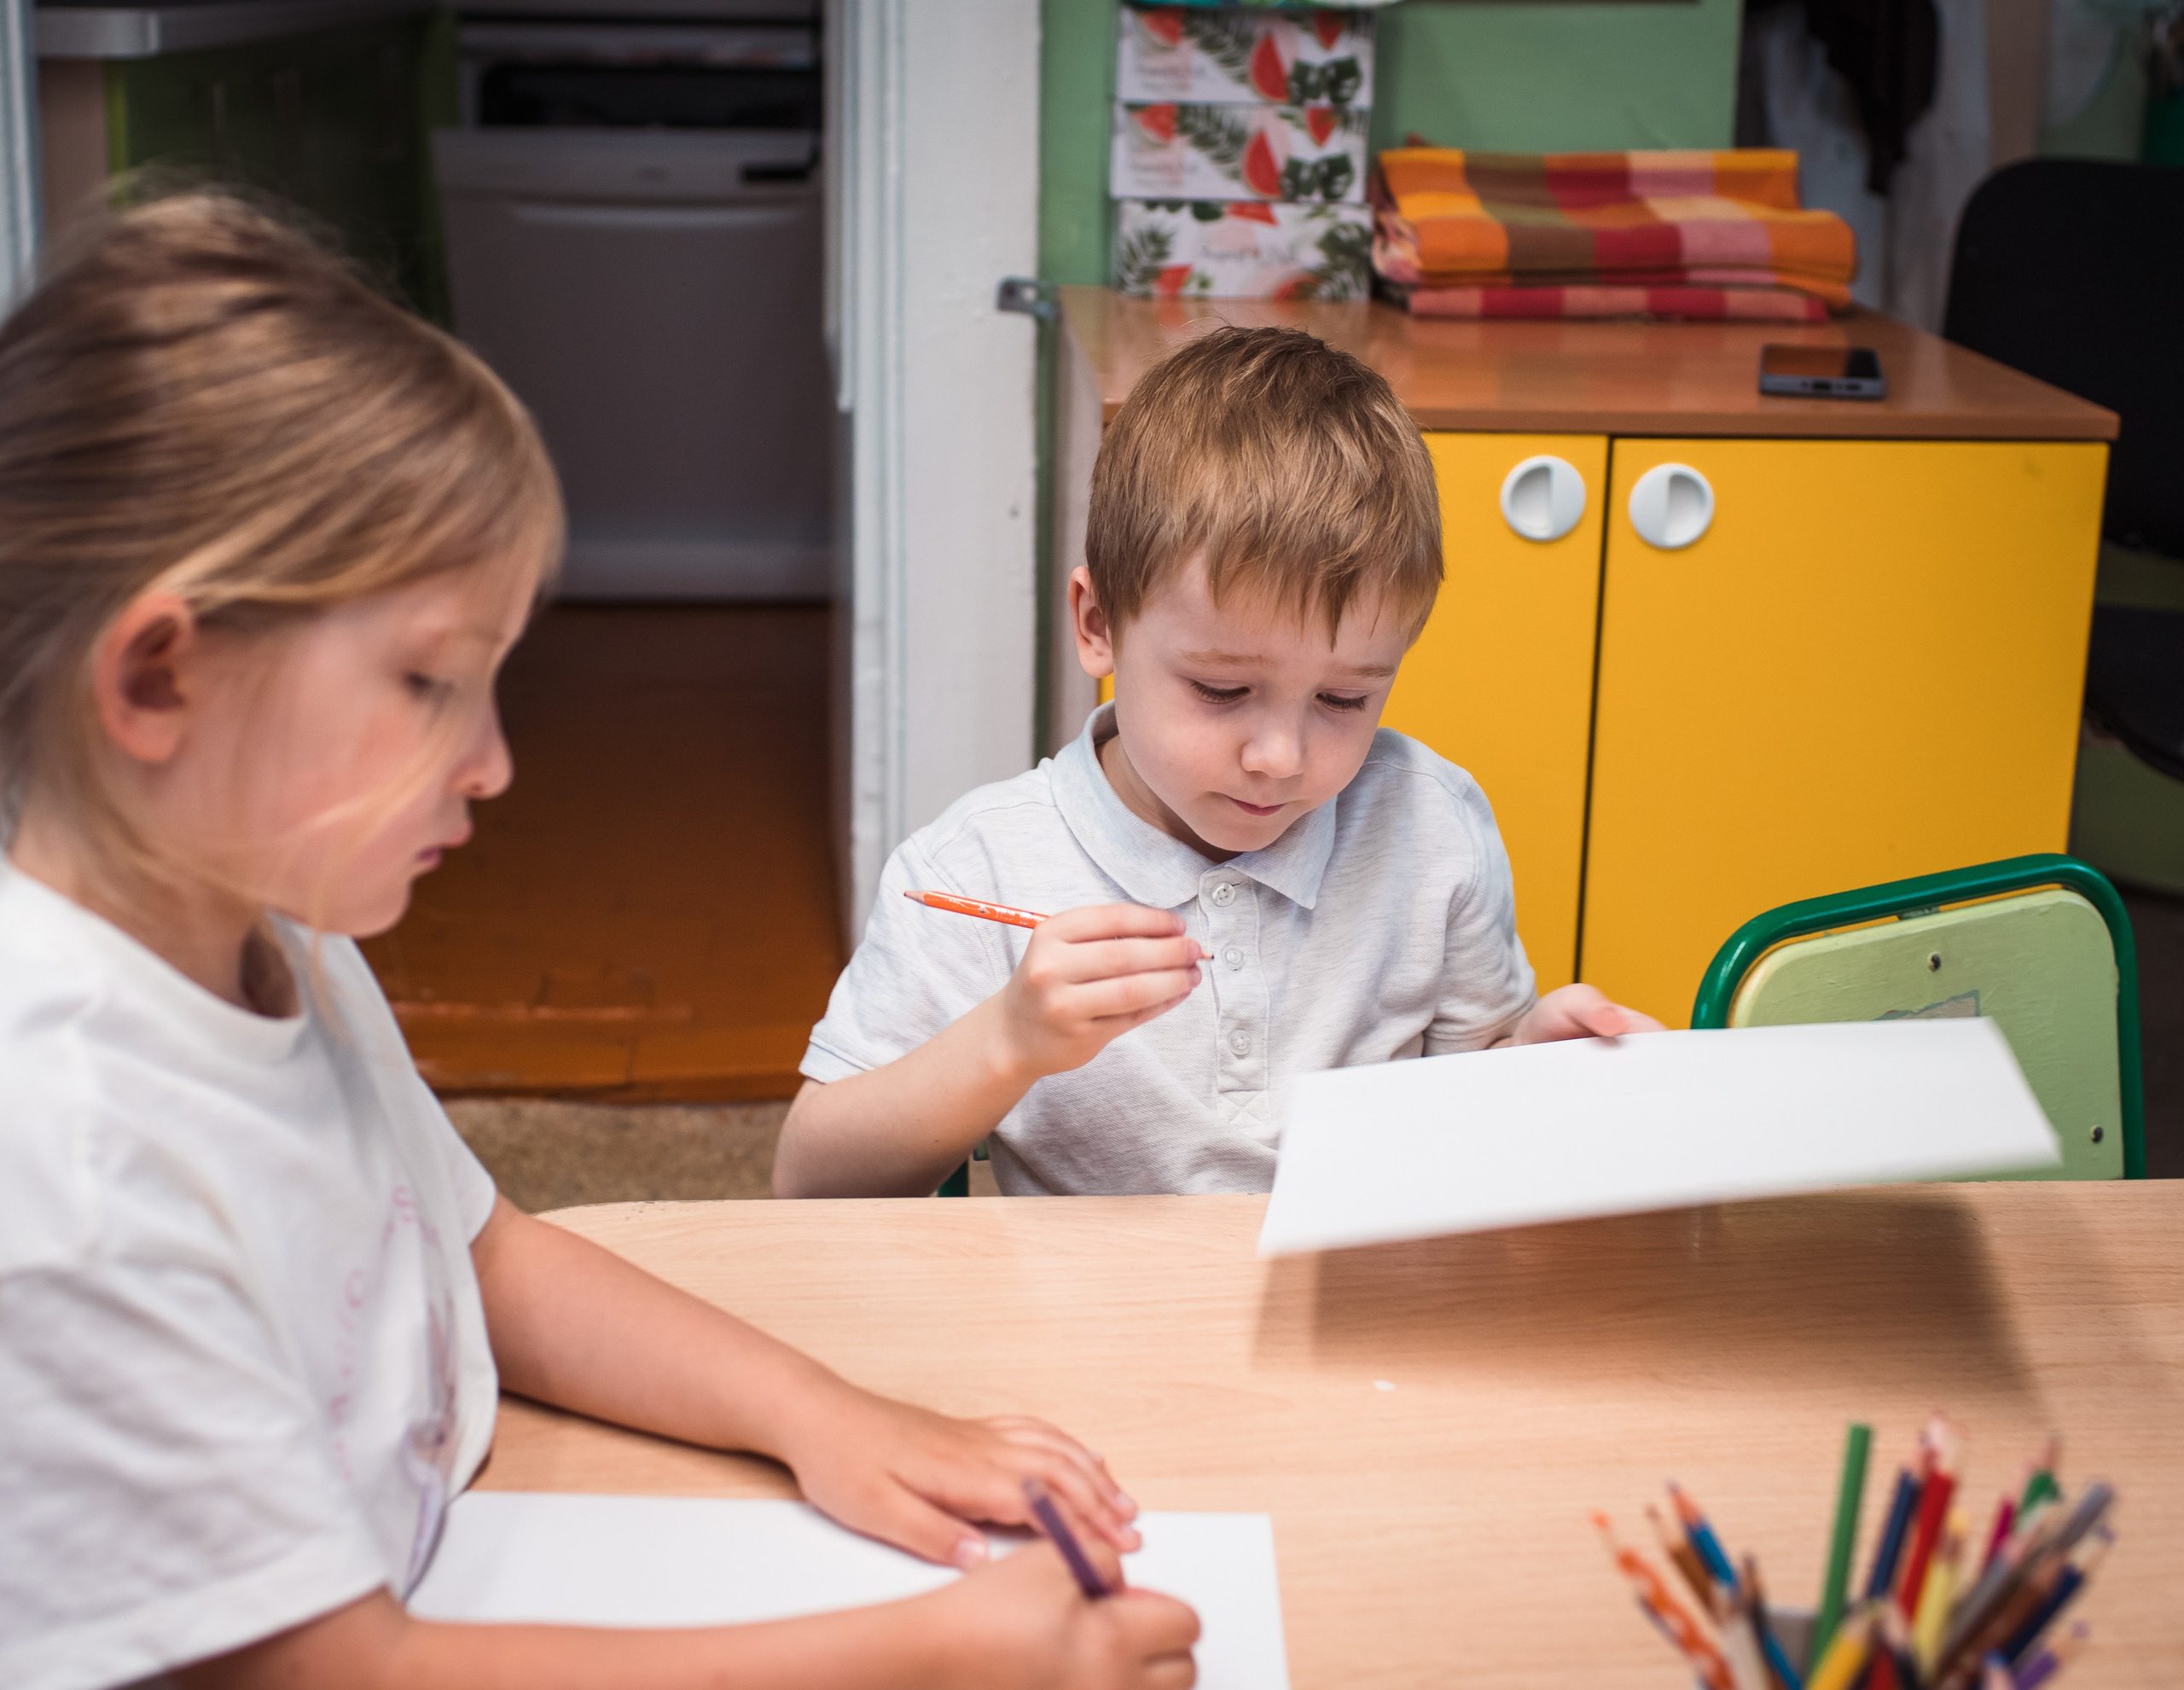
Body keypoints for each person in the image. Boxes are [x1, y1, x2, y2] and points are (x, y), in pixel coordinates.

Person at [0, 192, 1198, 1690]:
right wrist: (931, 1656)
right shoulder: (64, 1166)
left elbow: (488, 1254)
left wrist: (826, 1415)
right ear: (161, 678)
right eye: (432, 682)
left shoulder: (268, 936)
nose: (496, 764)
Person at [774, 326, 1664, 1199]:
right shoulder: (976, 865)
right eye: (1221, 690)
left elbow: (1473, 1102)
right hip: (1093, 1327)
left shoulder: (1430, 823)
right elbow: (810, 1184)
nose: (1279, 758)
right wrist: (1007, 1042)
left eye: (1343, 700)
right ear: (1098, 625)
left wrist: (1538, 1061)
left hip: (1368, 1314)